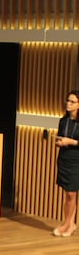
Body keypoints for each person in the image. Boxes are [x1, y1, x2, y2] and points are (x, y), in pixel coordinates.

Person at [53, 90, 79, 237]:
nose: (68, 104)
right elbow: (61, 136)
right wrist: (60, 142)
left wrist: (72, 142)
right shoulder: (63, 121)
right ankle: (70, 224)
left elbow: (74, 141)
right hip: (64, 159)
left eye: (72, 102)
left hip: (76, 160)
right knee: (69, 194)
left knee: (71, 192)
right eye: (67, 101)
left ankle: (67, 224)